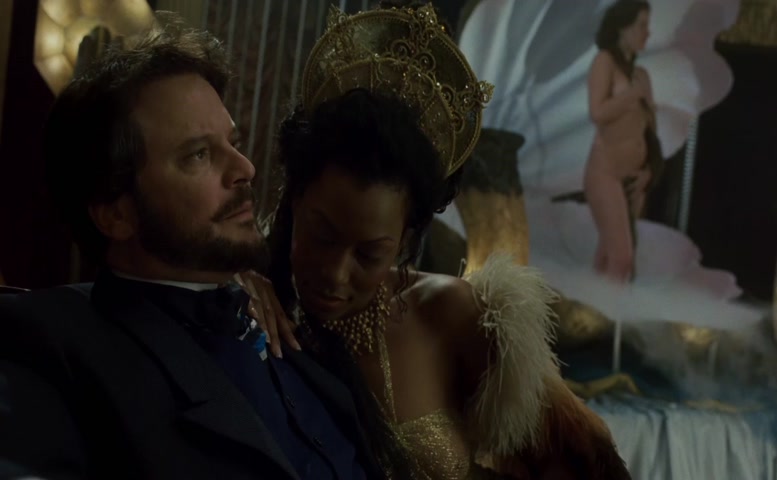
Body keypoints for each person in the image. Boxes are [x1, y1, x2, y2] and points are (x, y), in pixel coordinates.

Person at [253, 3, 631, 479]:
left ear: (405, 239)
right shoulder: (248, 301)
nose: (335, 273)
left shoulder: (450, 316)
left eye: (369, 253)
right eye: (322, 235)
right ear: (295, 199)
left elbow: (584, 462)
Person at [0, 15, 387, 480]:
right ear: (116, 214)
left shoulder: (291, 310)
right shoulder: (47, 341)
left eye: (233, 143)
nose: (245, 169)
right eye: (198, 155)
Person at [584, 0, 661, 283]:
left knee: (610, 255)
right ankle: (606, 311)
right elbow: (597, 112)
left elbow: (650, 131)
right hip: (606, 173)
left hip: (634, 178)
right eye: (641, 25)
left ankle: (595, 309)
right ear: (622, 27)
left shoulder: (642, 76)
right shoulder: (604, 61)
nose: (647, 33)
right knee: (621, 258)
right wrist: (632, 95)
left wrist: (649, 171)